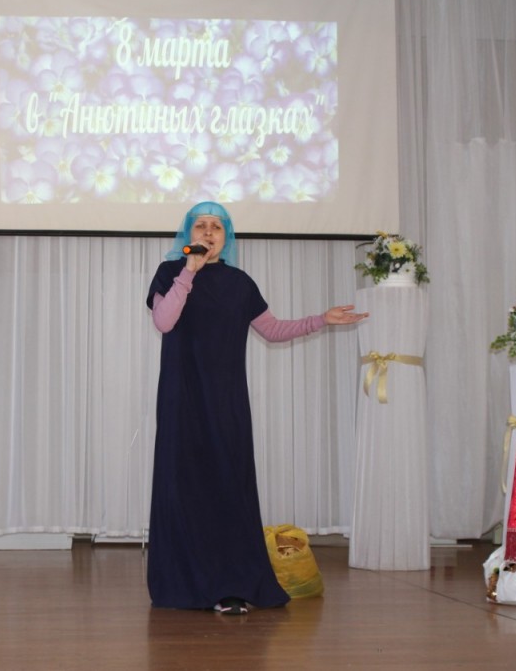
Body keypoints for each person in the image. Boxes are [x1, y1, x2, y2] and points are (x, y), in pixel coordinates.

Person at [145, 201, 368, 615]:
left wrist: (321, 319)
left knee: (229, 488)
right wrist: (188, 273)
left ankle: (231, 585)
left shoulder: (240, 283)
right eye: (200, 225)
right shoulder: (170, 272)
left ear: (226, 236)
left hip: (226, 402)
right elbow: (165, 321)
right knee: (185, 488)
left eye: (217, 226)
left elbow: (273, 329)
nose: (208, 232)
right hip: (182, 401)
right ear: (188, 234)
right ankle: (183, 584)